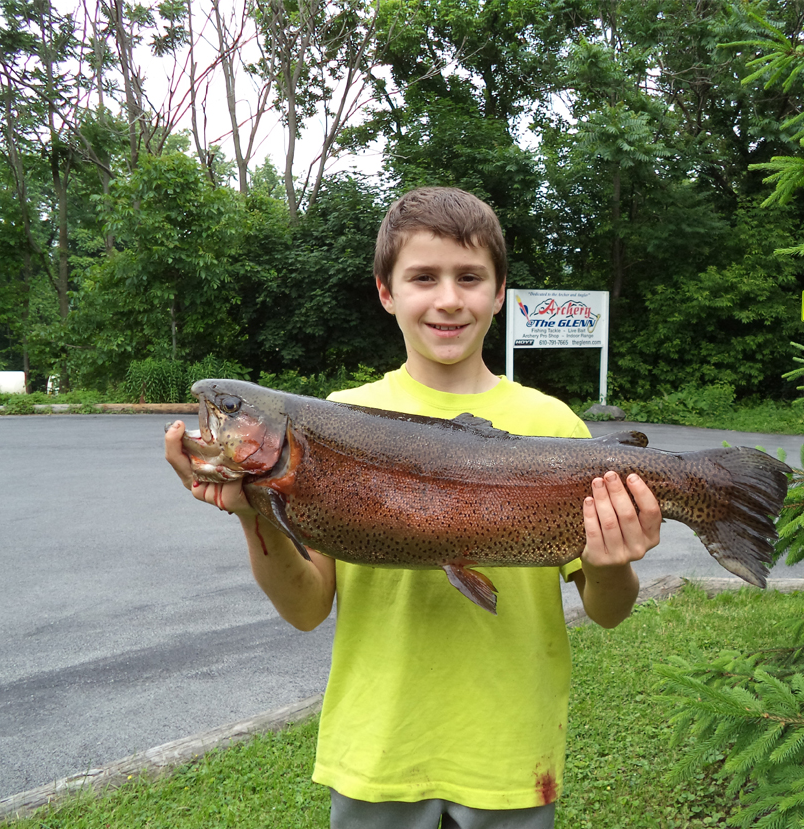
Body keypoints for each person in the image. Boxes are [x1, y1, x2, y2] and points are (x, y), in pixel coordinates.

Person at [165, 186, 662, 828]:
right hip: (377, 756)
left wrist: (612, 562)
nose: (448, 298)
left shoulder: (553, 424)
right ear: (386, 291)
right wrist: (251, 511)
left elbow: (610, 610)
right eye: (423, 277)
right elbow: (307, 608)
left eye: (469, 277)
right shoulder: (336, 421)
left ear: (500, 291)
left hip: (511, 757)